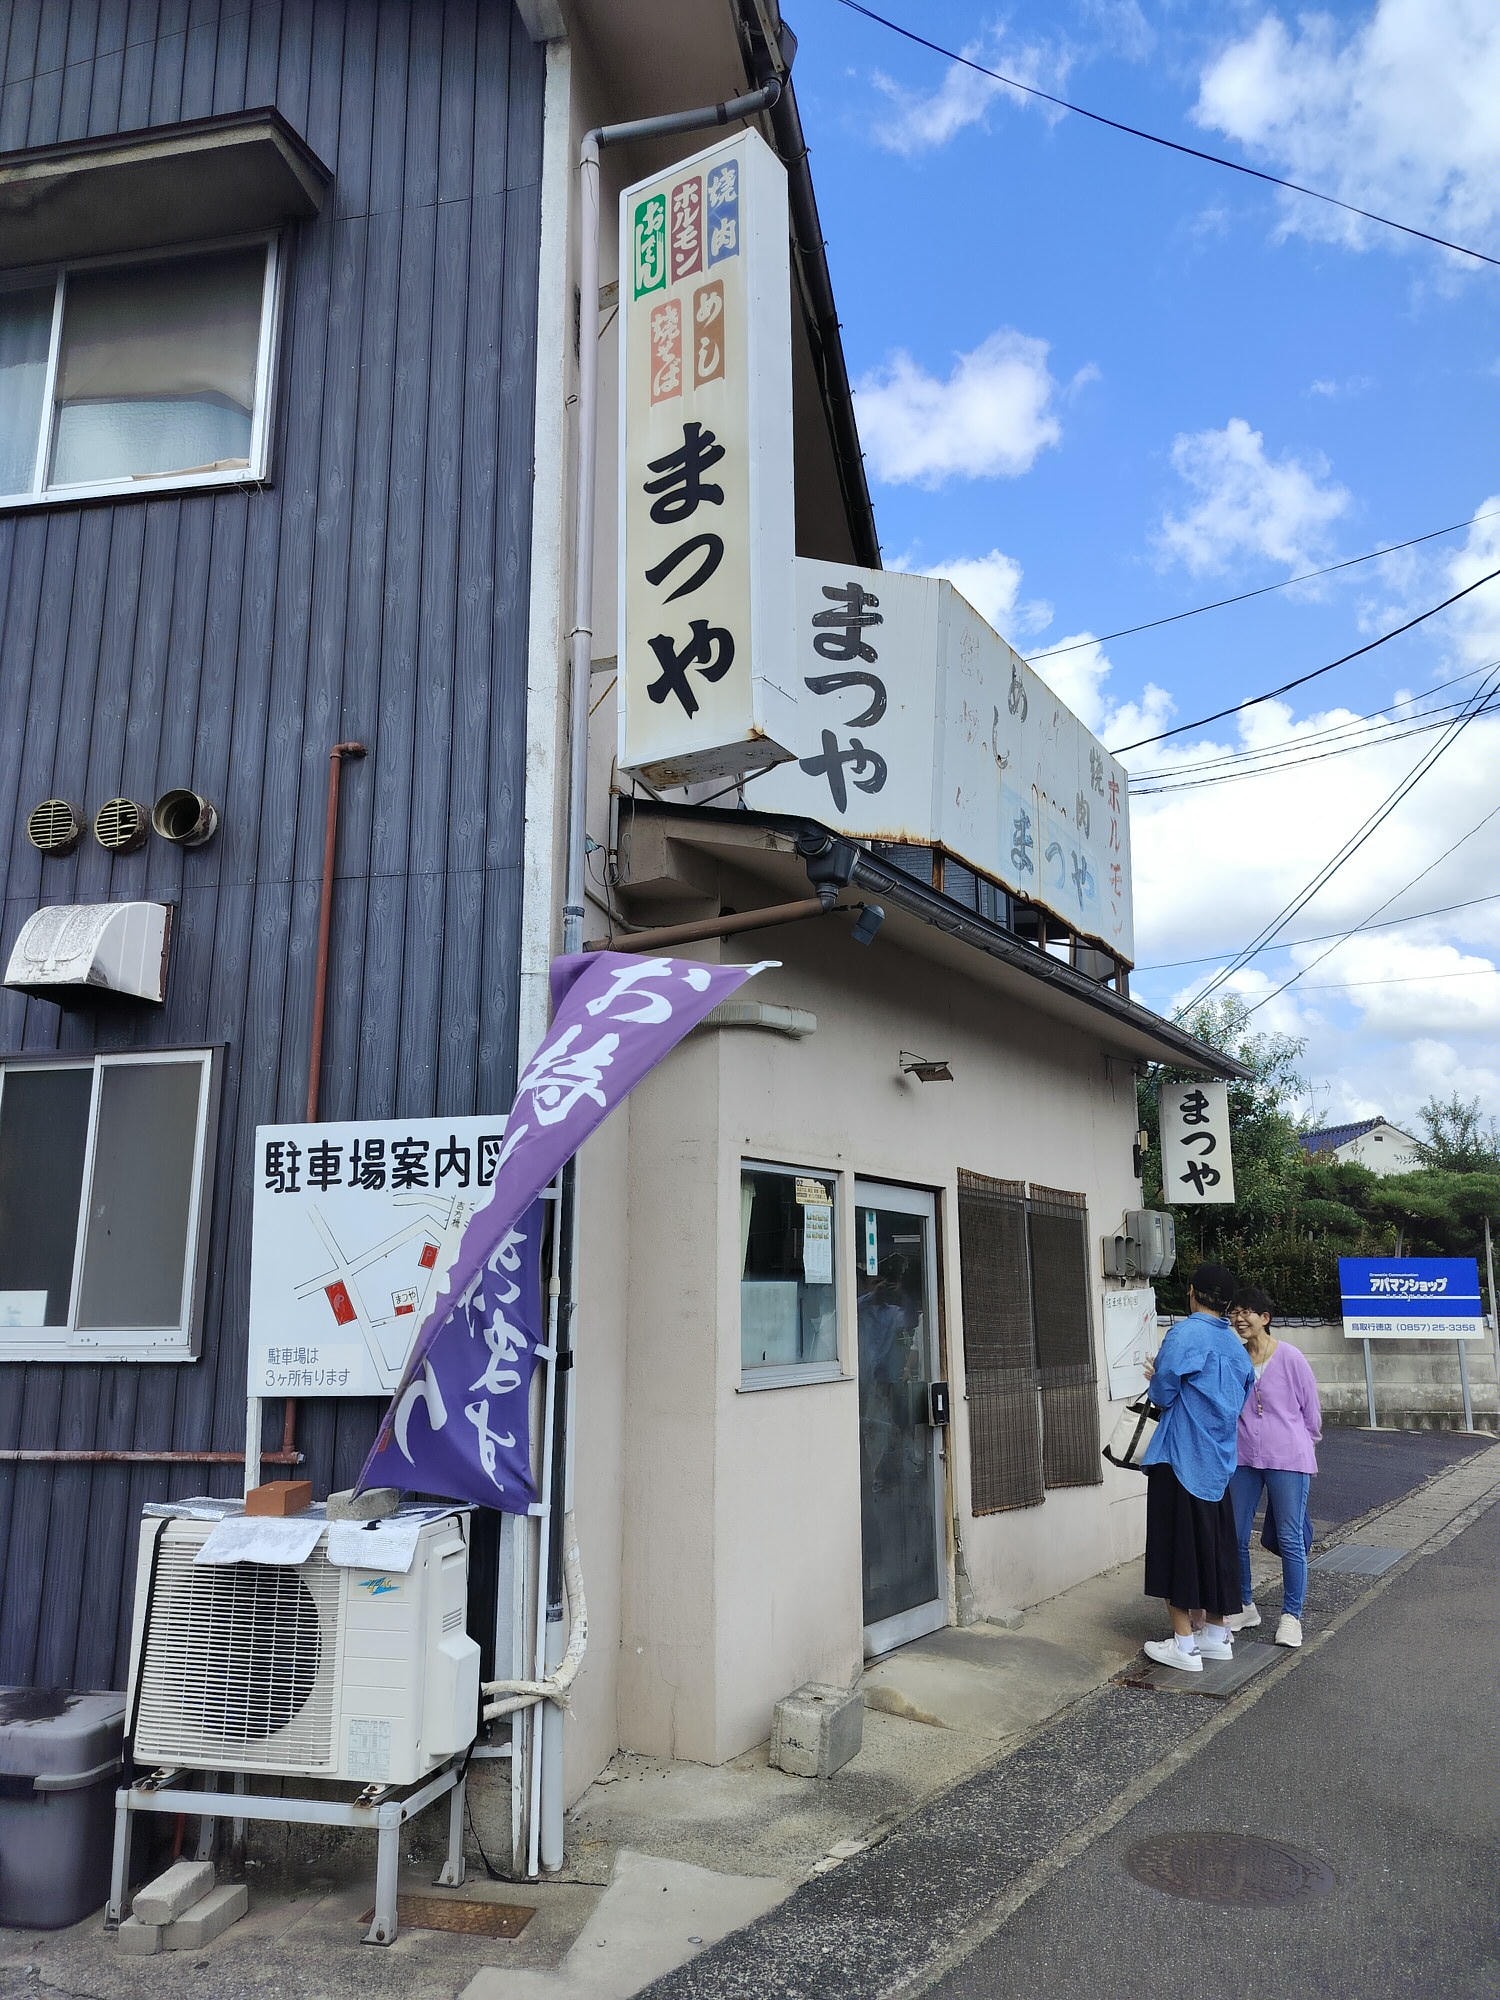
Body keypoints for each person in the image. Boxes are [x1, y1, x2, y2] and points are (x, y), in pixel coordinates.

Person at [1138, 1263, 1255, 1673]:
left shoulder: (1186, 1333)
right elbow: (1240, 1398)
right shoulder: (1236, 1346)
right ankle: (1217, 1634)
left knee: (1176, 1549)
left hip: (1181, 1457)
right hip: (1219, 1462)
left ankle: (1184, 1644)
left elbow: (1165, 1392)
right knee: (1214, 1547)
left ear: (1192, 1292)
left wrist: (1156, 1377)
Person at [1224, 1285, 1322, 1649]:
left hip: (1288, 1459)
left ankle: (1291, 1616)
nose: (1239, 1318)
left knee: (1289, 1536)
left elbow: (1311, 1413)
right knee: (1234, 1533)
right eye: (1235, 1311)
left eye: (1247, 1311)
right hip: (1244, 1457)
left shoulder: (1291, 1357)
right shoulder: (1236, 1360)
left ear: (1265, 1318)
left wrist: (1299, 1444)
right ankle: (1244, 1604)